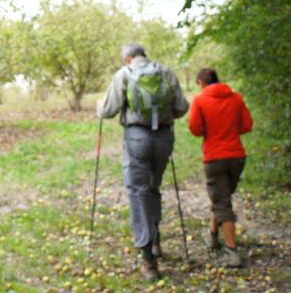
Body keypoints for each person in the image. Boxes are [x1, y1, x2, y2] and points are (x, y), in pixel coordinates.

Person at [97, 43, 189, 280]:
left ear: (127, 58)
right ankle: (156, 238)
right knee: (153, 188)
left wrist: (100, 106)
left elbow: (108, 110)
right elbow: (181, 107)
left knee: (138, 193)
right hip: (164, 138)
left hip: (137, 138)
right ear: (144, 55)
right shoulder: (165, 71)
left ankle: (148, 259)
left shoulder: (124, 74)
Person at [188, 68, 252, 268]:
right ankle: (213, 235)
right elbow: (247, 126)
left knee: (222, 202)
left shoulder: (200, 101)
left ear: (201, 82)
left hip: (214, 158)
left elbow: (195, 130)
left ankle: (232, 251)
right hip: (237, 157)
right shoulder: (236, 98)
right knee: (222, 198)